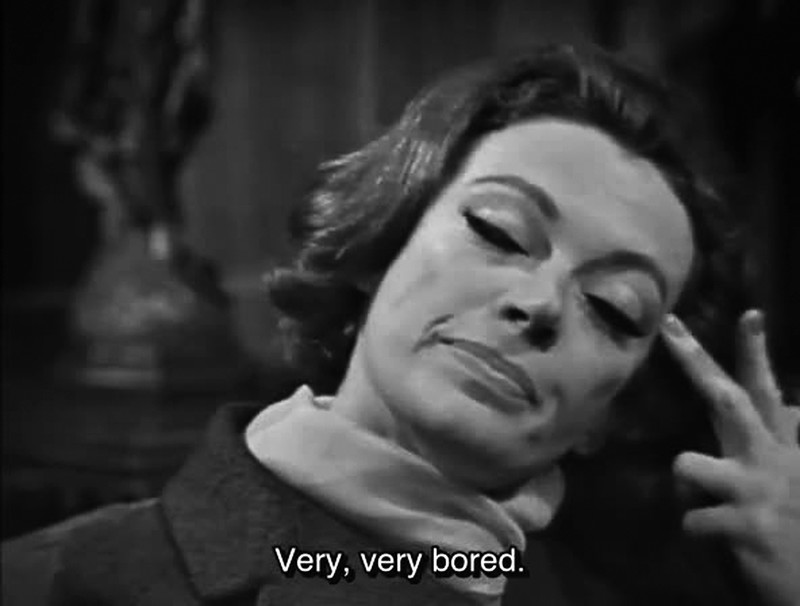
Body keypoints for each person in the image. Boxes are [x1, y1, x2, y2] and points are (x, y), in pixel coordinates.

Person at [3, 43, 799, 606]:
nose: (541, 303)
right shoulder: (64, 581)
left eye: (614, 307)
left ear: (613, 413)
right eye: (498, 231)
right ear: (381, 247)